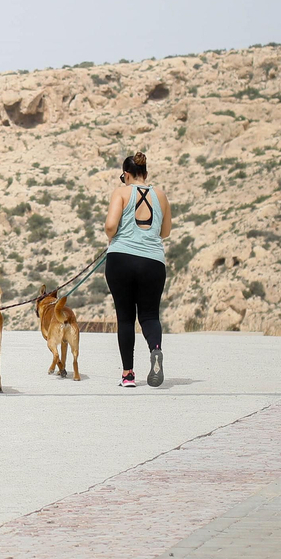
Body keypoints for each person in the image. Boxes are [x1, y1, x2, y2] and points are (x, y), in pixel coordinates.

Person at [102, 151, 171, 388]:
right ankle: (156, 349)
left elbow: (111, 226)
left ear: (126, 175)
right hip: (152, 261)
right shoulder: (160, 196)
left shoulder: (121, 193)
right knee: (150, 315)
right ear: (146, 174)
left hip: (121, 259)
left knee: (126, 317)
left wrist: (113, 235)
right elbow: (165, 232)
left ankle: (128, 375)